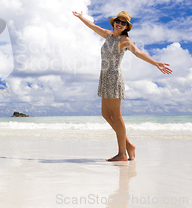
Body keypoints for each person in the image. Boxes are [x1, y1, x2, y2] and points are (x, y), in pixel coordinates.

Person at [72, 10, 172, 161]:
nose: (119, 24)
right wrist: (80, 17)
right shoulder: (108, 35)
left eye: (123, 23)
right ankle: (129, 146)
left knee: (117, 116)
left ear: (126, 27)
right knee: (105, 114)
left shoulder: (124, 40)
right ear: (114, 23)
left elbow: (138, 52)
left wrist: (156, 63)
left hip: (113, 78)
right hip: (104, 77)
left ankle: (122, 153)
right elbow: (92, 26)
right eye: (118, 21)